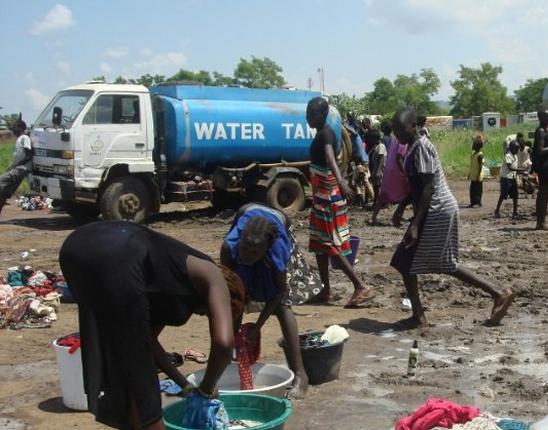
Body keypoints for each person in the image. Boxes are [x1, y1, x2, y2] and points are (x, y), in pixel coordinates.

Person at [59, 221, 246, 429]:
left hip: (75, 248)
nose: (202, 315)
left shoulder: (164, 280)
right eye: (207, 313)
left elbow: (150, 341)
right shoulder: (213, 275)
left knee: (121, 364)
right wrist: (207, 389)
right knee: (141, 383)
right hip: (118, 252)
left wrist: (185, 385)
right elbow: (223, 343)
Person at [389, 108, 514, 328]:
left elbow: (428, 188)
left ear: (414, 126)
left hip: (437, 210)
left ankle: (420, 316)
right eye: (395, 130)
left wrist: (415, 225)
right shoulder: (413, 147)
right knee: (429, 262)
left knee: (410, 261)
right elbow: (418, 185)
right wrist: (401, 207)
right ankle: (497, 293)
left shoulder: (422, 147)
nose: (397, 133)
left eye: (401, 129)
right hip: (433, 209)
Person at [221, 203, 319, 399]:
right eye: (245, 249)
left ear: (266, 250)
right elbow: (228, 287)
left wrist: (257, 326)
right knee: (235, 301)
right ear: (239, 240)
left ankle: (301, 375)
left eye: (255, 252)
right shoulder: (230, 247)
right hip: (246, 210)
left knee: (283, 307)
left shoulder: (276, 253)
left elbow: (279, 293)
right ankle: (224, 364)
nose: (248, 255)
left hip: (279, 220)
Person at [306, 97, 371, 307]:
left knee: (330, 244)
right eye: (307, 112)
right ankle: (325, 291)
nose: (308, 116)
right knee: (319, 244)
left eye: (312, 113)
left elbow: (329, 157)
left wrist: (342, 181)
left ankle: (360, 285)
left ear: (322, 115)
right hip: (321, 196)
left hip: (328, 196)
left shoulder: (326, 134)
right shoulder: (322, 133)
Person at [369, 123, 410, 226]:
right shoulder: (402, 141)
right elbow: (399, 157)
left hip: (389, 170)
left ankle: (374, 217)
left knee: (383, 195)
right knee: (408, 194)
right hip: (397, 171)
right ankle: (397, 217)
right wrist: (405, 172)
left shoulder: (395, 138)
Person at [0, 119, 33, 215]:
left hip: (21, 168)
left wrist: (17, 165)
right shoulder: (18, 139)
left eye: (16, 127)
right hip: (17, 168)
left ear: (22, 128)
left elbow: (28, 155)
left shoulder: (24, 138)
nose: (14, 129)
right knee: (5, 193)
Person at [348, 125, 374, 207]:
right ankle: (364, 200)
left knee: (364, 181)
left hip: (362, 162)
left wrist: (344, 125)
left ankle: (373, 198)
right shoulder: (352, 141)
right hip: (359, 163)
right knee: (360, 182)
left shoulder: (356, 137)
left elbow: (354, 132)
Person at [494, 140, 521, 219]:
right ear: (511, 148)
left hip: (512, 178)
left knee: (515, 195)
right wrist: (520, 170)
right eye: (516, 149)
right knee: (503, 195)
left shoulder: (515, 156)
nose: (517, 150)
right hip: (506, 178)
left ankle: (515, 212)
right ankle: (497, 210)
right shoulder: (508, 155)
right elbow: (510, 167)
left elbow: (515, 167)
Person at [367, 128, 387, 207]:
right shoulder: (376, 147)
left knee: (378, 188)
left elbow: (382, 158)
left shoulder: (381, 146)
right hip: (375, 170)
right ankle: (376, 203)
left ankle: (378, 204)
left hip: (379, 171)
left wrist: (378, 171)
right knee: (376, 188)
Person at [468, 134, 485, 208]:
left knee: (478, 190)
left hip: (477, 176)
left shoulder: (480, 155)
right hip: (473, 175)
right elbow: (472, 165)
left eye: (474, 145)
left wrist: (478, 175)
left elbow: (480, 166)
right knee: (472, 190)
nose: (472, 146)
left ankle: (478, 202)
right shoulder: (473, 154)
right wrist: (469, 173)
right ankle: (472, 202)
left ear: (477, 146)